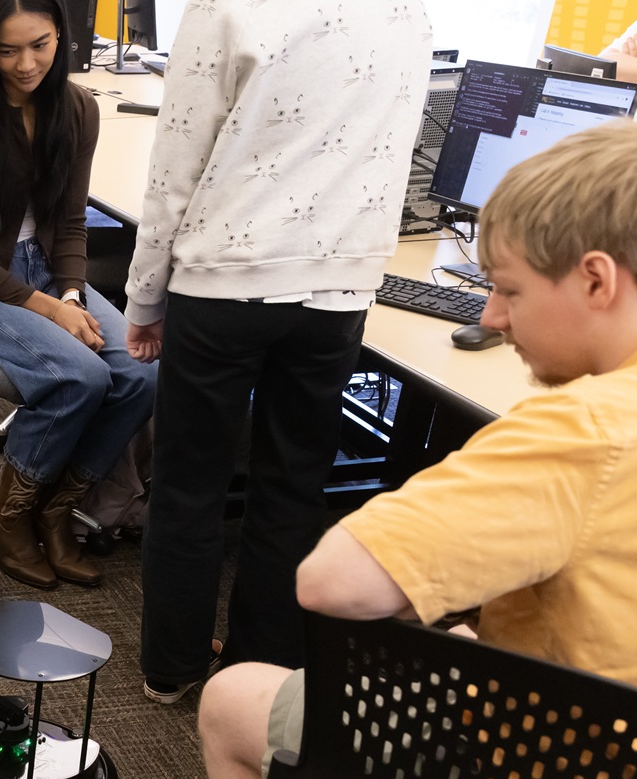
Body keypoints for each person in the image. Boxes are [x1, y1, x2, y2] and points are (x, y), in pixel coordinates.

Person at [197, 93, 637, 779]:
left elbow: (331, 584)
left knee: (234, 700)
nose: (490, 316)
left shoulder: (586, 432)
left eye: (510, 288)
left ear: (597, 280)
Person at [126, 2, 430, 699]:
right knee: (294, 489)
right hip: (340, 286)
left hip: (227, 279)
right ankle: (259, 669)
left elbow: (176, 164)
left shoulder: (223, 7)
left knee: (189, 487)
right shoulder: (407, 13)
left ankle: (171, 671)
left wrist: (145, 299)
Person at [0, 0, 156, 591]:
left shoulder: (77, 109)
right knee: (80, 376)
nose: (26, 63)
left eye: (41, 44)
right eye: (8, 50)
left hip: (50, 275)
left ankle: (56, 508)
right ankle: (10, 511)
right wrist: (52, 308)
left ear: (63, 37)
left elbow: (71, 221)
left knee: (140, 372)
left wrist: (73, 294)